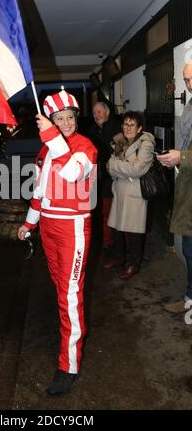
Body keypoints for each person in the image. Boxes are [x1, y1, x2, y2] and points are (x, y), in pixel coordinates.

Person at [17, 89, 98, 396]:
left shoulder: (85, 147)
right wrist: (29, 223)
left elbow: (74, 173)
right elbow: (40, 192)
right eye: (58, 119)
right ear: (51, 119)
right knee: (60, 289)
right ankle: (69, 334)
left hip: (72, 229)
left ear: (76, 119)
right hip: (49, 227)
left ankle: (69, 365)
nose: (65, 123)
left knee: (70, 294)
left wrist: (52, 136)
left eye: (69, 117)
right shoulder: (46, 149)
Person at [158, 61, 192, 314]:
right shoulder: (190, 105)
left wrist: (181, 157)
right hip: (188, 187)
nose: (189, 85)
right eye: (187, 80)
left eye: (191, 79)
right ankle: (190, 298)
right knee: (190, 250)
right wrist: (175, 158)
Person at [104, 111, 155, 279]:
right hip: (119, 190)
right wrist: (121, 167)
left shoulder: (146, 143)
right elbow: (108, 166)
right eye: (125, 124)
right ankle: (119, 258)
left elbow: (138, 169)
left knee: (134, 232)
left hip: (135, 194)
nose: (127, 128)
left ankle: (133, 264)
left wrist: (117, 166)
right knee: (116, 228)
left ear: (139, 128)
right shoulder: (120, 141)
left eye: (132, 125)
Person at [88, 102, 121, 253]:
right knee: (103, 213)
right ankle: (107, 244)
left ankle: (119, 246)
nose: (96, 115)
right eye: (94, 113)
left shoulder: (116, 128)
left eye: (99, 112)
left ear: (107, 112)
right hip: (98, 178)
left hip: (115, 178)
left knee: (116, 213)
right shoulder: (91, 131)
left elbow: (122, 150)